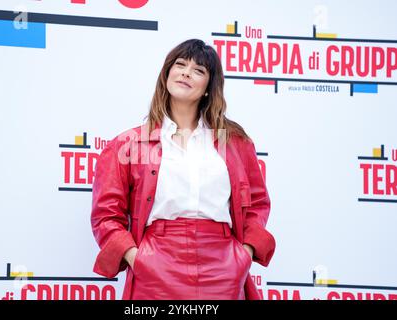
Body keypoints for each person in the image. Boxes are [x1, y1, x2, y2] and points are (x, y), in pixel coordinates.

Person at [90, 39, 275, 300]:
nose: (187, 72)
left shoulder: (235, 143)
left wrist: (243, 255)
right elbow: (105, 215)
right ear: (167, 74)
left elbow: (257, 204)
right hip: (156, 263)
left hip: (223, 265)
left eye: (199, 70)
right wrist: (136, 257)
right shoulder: (128, 144)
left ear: (209, 88)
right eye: (180, 64)